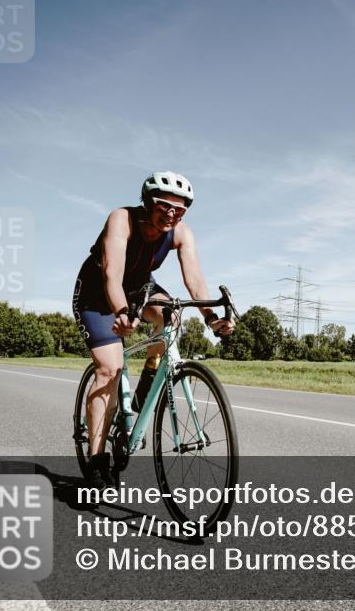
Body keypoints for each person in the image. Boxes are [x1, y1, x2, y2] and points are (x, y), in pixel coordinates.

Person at [71, 171, 234, 489]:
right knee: (110, 369)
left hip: (139, 288)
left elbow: (195, 280)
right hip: (97, 293)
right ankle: (96, 462)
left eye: (180, 209)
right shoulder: (122, 219)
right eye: (164, 206)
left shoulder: (181, 233)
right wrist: (121, 313)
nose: (172, 214)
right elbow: (112, 276)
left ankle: (144, 390)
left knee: (170, 317)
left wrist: (211, 317)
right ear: (147, 203)